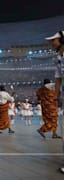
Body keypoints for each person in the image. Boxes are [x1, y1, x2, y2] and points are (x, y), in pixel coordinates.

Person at [45, 30, 64, 176]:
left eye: (55, 40)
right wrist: (56, 96)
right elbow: (58, 78)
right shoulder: (58, 57)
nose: (53, 42)